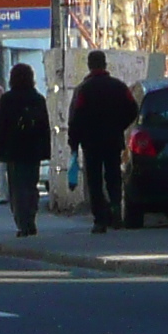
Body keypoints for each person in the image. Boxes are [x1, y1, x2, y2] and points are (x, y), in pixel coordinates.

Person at [67, 50, 137, 233]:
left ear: (90, 65)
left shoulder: (84, 89)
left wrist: (74, 142)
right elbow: (133, 109)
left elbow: (75, 118)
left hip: (91, 142)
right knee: (114, 176)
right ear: (105, 64)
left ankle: (100, 219)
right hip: (113, 139)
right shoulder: (119, 87)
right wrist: (119, 125)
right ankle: (116, 211)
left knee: (94, 180)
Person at [0, 63, 55, 237]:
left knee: (17, 187)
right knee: (31, 185)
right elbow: (44, 127)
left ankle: (22, 222)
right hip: (33, 149)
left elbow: (2, 126)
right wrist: (46, 150)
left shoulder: (8, 99)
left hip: (14, 149)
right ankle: (31, 219)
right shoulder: (38, 99)